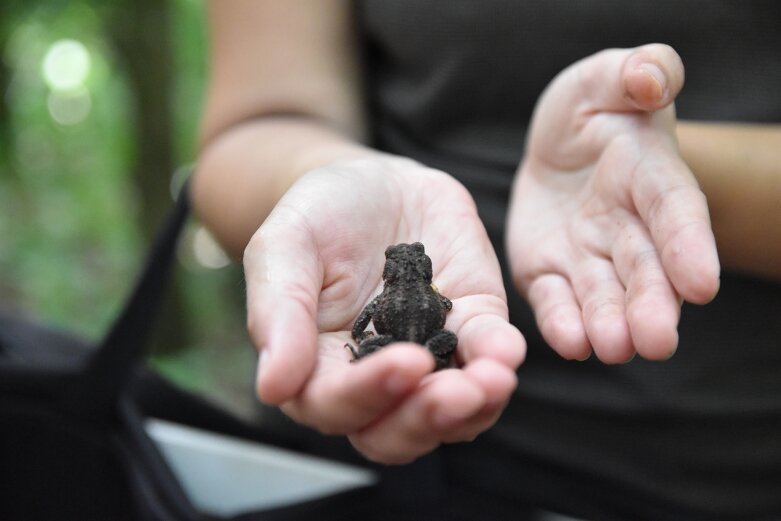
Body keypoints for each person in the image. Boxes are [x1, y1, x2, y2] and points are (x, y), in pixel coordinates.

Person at [192, 1, 781, 519]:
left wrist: (662, 173)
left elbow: (375, 317)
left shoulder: (387, 299)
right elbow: (258, 122)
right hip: (352, 478)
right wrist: (314, 179)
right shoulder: (433, 298)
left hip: (727, 481)